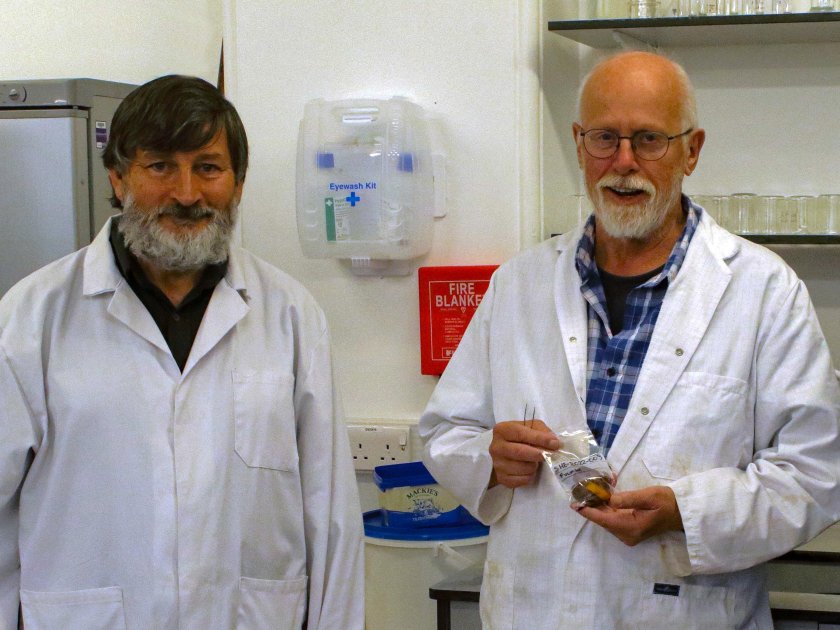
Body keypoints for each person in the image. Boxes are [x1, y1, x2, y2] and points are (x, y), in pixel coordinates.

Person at [419, 51, 840, 628]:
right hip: (536, 610)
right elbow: (446, 431)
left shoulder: (763, 291)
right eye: (604, 138)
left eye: (648, 139)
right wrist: (488, 459)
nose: (623, 163)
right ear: (577, 143)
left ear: (691, 150)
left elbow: (814, 472)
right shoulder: (520, 283)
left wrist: (686, 513)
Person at [0, 75, 363, 629]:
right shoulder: (33, 316)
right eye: (160, 166)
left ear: (237, 184)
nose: (188, 194)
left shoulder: (290, 315)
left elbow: (331, 512)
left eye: (208, 168)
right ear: (118, 178)